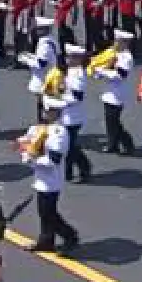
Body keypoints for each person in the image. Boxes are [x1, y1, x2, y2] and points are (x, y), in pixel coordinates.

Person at [22, 97, 80, 255]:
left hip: (51, 180)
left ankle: (70, 235)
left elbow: (54, 160)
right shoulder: (43, 128)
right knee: (44, 212)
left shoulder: (58, 132)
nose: (44, 112)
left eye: (48, 110)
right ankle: (46, 240)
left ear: (56, 112)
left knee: (48, 213)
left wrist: (32, 160)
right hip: (42, 178)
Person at [95, 29, 137, 155]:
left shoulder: (126, 57)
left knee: (113, 121)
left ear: (124, 43)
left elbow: (120, 75)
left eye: (118, 41)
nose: (115, 43)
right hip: (109, 92)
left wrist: (102, 72)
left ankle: (127, 144)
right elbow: (108, 66)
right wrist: (99, 70)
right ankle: (113, 144)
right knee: (110, 121)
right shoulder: (114, 54)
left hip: (118, 94)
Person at [58, 43, 94, 183]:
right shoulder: (71, 71)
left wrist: (60, 98)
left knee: (69, 147)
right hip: (68, 114)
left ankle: (78, 170)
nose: (67, 59)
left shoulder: (77, 74)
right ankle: (76, 169)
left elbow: (77, 97)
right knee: (69, 145)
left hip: (73, 116)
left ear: (78, 59)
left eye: (70, 57)